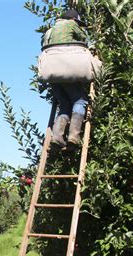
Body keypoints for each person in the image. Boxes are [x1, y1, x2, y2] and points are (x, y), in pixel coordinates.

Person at [43, 9, 89, 150]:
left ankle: (57, 137)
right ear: (73, 19)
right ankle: (74, 136)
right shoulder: (71, 24)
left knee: (64, 103)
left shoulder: (49, 31)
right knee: (80, 100)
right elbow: (84, 39)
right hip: (66, 68)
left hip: (51, 72)